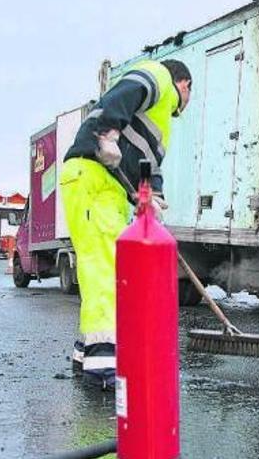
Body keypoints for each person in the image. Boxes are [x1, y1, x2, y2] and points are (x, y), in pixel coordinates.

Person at [61, 59, 192, 388]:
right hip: (95, 178)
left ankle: (86, 351)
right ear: (184, 84)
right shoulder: (159, 77)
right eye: (190, 93)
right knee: (105, 270)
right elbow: (126, 92)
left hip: (109, 189)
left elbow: (147, 165)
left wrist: (151, 198)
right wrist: (107, 134)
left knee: (107, 269)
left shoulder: (160, 123)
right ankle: (104, 365)